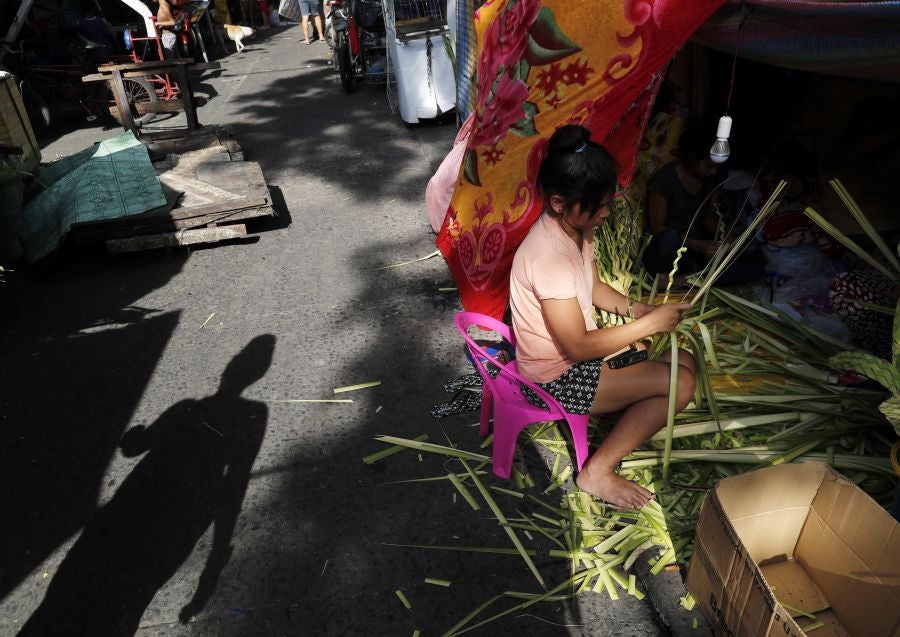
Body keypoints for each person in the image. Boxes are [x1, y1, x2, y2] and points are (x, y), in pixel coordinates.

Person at [509, 125, 696, 510]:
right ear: (559, 203)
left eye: (609, 203)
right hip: (555, 377)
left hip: (582, 358)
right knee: (682, 384)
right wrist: (649, 324)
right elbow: (576, 347)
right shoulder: (549, 256)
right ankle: (596, 472)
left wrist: (636, 310)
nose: (606, 214)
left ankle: (628, 407)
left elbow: (593, 288)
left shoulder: (579, 232)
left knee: (686, 360)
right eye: (599, 207)